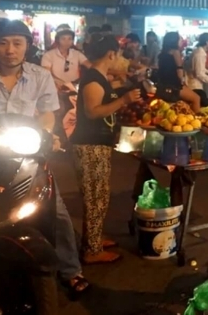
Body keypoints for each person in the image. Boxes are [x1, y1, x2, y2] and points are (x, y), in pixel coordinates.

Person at [0, 20, 90, 296]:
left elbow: (48, 113)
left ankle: (70, 270)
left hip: (24, 154)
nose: (10, 50)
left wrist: (47, 133)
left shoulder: (40, 76)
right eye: (3, 43)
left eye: (17, 43)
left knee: (56, 211)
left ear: (27, 46)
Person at [70, 33, 142, 264]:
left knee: (99, 195)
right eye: (118, 55)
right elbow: (92, 112)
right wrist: (124, 100)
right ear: (111, 54)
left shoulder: (100, 76)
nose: (119, 59)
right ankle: (92, 251)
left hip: (97, 144)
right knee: (95, 198)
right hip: (89, 145)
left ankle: (94, 239)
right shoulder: (93, 79)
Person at [157, 32, 203, 113]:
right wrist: (182, 81)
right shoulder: (175, 52)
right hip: (174, 85)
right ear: (174, 41)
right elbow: (179, 70)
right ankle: (197, 118)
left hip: (163, 85)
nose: (181, 40)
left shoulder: (162, 54)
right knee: (196, 98)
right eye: (180, 39)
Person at [187, 32, 208, 105]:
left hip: (195, 85)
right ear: (207, 42)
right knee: (207, 106)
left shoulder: (199, 51)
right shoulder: (200, 54)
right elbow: (199, 74)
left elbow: (199, 68)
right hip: (194, 86)